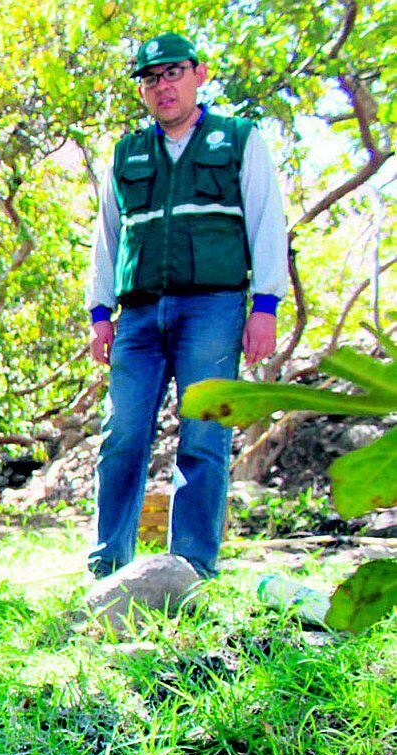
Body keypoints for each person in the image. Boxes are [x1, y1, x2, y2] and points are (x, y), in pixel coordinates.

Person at [86, 33, 289, 578]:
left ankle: (191, 569)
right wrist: (100, 313)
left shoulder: (239, 139)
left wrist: (265, 305)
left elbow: (269, 222)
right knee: (123, 435)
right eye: (150, 78)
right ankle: (108, 567)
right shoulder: (128, 152)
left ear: (199, 75)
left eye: (172, 73)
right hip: (140, 316)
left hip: (215, 309)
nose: (161, 86)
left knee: (204, 435)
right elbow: (108, 236)